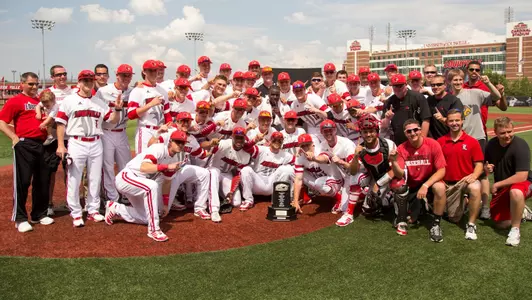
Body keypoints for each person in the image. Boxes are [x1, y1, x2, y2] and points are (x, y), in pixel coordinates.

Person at [55, 70, 123, 227]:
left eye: (90, 80)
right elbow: (60, 123)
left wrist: (118, 110)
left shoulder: (99, 102)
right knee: (74, 178)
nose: (88, 83)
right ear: (79, 82)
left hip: (96, 141)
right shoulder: (69, 100)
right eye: (84, 80)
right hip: (76, 142)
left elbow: (111, 121)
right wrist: (60, 145)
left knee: (94, 178)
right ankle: (76, 212)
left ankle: (93, 210)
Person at [106, 130, 188, 242]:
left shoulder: (174, 160)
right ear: (170, 142)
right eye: (178, 142)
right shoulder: (159, 149)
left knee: (145, 218)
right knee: (152, 186)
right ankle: (154, 230)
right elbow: (144, 167)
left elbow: (167, 182)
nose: (180, 145)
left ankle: (115, 208)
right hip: (127, 177)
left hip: (140, 183)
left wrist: (165, 204)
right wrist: (166, 166)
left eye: (183, 143)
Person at [0, 72, 54, 232]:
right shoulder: (15, 101)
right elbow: (2, 122)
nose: (34, 87)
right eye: (30, 84)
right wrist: (14, 137)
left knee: (42, 181)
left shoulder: (40, 100)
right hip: (25, 145)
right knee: (23, 182)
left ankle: (39, 214)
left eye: (36, 84)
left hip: (42, 144)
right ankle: (20, 218)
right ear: (22, 84)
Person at [347, 114, 406, 225]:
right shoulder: (360, 148)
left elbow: (395, 170)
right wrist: (355, 157)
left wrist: (377, 185)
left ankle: (399, 212)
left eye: (371, 131)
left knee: (399, 184)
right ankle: (387, 199)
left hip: (391, 178)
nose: (368, 134)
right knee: (368, 209)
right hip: (375, 178)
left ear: (377, 131)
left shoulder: (388, 144)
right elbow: (353, 172)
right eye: (365, 132)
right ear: (361, 133)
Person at [395, 119, 447, 241]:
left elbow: (442, 170)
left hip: (428, 183)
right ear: (405, 133)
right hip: (411, 184)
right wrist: (393, 161)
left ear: (420, 130)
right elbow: (400, 174)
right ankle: (405, 214)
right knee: (397, 184)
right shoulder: (401, 148)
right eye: (409, 131)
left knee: (440, 188)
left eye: (415, 130)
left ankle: (436, 224)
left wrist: (426, 185)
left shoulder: (433, 144)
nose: (413, 133)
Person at [437, 109, 483, 240]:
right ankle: (465, 203)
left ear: (462, 121)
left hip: (465, 182)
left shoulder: (472, 141)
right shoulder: (440, 141)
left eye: (457, 120)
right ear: (447, 122)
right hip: (447, 184)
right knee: (453, 218)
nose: (454, 123)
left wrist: (474, 175)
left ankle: (471, 224)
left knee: (475, 187)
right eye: (451, 120)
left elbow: (479, 164)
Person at [485, 117, 532, 246]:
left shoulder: (520, 145)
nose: (507, 135)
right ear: (495, 132)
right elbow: (487, 164)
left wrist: (497, 184)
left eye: (510, 131)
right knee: (501, 224)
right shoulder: (491, 144)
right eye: (503, 133)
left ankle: (515, 230)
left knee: (516, 192)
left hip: (524, 183)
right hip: (504, 187)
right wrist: (487, 167)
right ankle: (521, 211)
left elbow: (522, 176)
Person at [96, 64, 134, 206]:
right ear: (117, 75)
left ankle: (124, 194)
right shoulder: (103, 91)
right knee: (108, 166)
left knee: (126, 166)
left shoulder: (133, 91)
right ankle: (111, 197)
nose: (126, 78)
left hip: (122, 131)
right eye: (123, 75)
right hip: (107, 132)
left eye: (128, 75)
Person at [207, 127, 255, 222]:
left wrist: (231, 192)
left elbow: (238, 174)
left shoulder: (245, 154)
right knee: (214, 172)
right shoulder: (224, 144)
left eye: (241, 138)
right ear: (232, 136)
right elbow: (204, 148)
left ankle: (218, 196)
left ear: (245, 138)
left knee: (236, 202)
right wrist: (210, 144)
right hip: (213, 171)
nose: (239, 140)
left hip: (226, 174)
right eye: (237, 137)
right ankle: (214, 210)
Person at [240, 132, 295, 211]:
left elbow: (298, 164)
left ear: (282, 142)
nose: (277, 142)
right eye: (274, 140)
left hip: (273, 185)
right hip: (257, 183)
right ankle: (248, 200)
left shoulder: (285, 155)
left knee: (287, 168)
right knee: (246, 170)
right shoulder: (261, 149)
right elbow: (245, 148)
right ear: (270, 140)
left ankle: (281, 198)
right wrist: (255, 140)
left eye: (279, 140)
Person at [127, 59, 172, 154]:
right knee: (142, 161)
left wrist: (169, 127)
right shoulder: (138, 91)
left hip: (160, 130)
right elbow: (131, 115)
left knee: (158, 160)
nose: (154, 73)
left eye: (155, 70)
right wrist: (150, 104)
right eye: (150, 70)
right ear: (144, 72)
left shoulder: (162, 91)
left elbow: (167, 115)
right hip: (145, 130)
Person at [292, 133, 343, 213]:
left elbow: (324, 159)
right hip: (322, 181)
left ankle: (339, 198)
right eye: (303, 146)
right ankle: (305, 197)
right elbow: (298, 179)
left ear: (312, 144)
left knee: (318, 183)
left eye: (307, 145)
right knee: (296, 172)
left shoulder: (321, 149)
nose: (305, 148)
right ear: (300, 147)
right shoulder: (300, 158)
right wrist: (295, 201)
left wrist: (315, 159)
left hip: (336, 179)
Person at [382, 74, 431, 145]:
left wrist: (422, 141)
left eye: (400, 86)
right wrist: (387, 118)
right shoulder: (389, 101)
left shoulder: (418, 97)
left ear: (405, 85)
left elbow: (426, 120)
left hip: (416, 139)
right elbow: (384, 126)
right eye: (395, 86)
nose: (398, 89)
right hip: (399, 142)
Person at [426, 75, 463, 140]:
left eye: (439, 84)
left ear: (445, 85)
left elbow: (458, 123)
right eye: (433, 85)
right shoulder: (429, 100)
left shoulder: (453, 100)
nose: (435, 87)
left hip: (449, 139)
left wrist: (442, 119)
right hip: (433, 141)